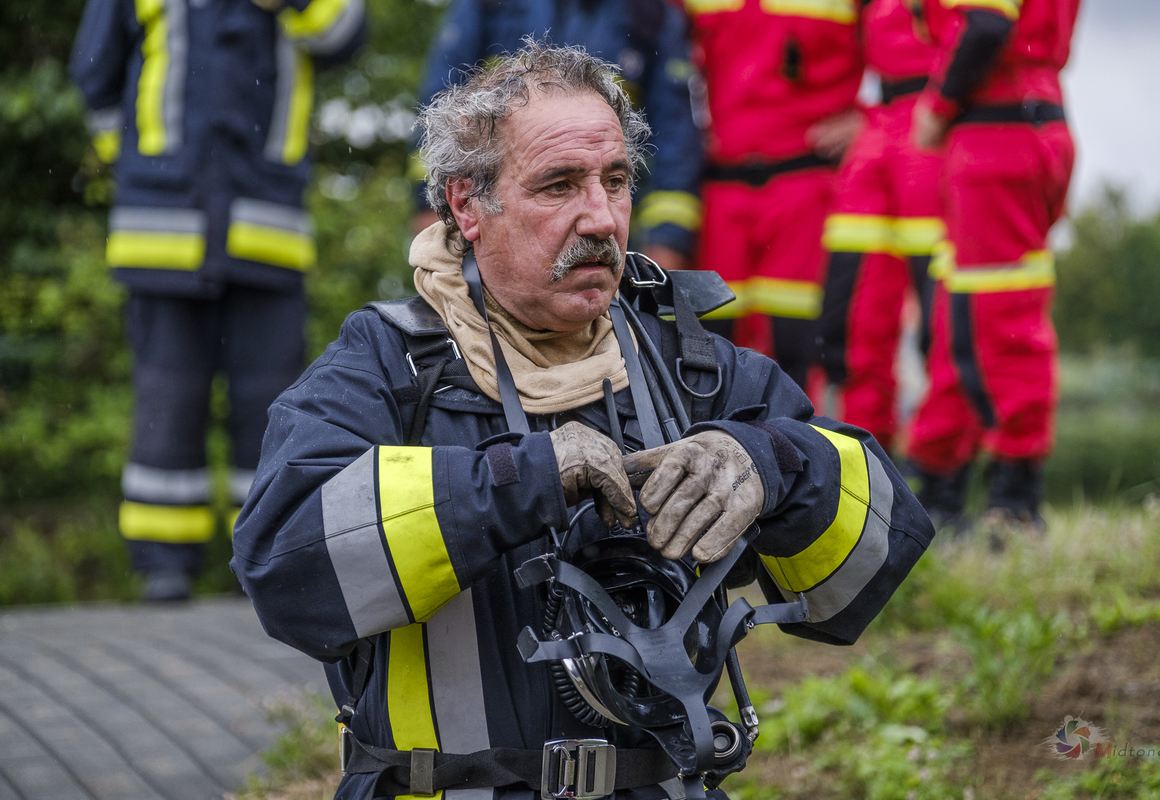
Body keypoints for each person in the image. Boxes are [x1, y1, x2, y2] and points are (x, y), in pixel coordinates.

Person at [233, 41, 933, 800]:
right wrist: (516, 479)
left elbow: (863, 576)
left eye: (616, 181)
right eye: (559, 185)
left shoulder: (687, 363)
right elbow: (282, 566)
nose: (599, 216)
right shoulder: (389, 365)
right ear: (469, 205)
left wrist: (775, 465)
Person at [70, 0, 366, 601]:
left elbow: (344, 37)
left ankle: (261, 555)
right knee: (166, 395)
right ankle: (162, 566)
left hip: (268, 226)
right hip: (162, 226)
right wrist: (137, 162)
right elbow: (94, 75)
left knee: (270, 404)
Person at [903, 0, 1079, 528]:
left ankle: (1014, 500)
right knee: (958, 323)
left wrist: (936, 104)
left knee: (1000, 325)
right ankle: (939, 492)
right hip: (1001, 132)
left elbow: (985, 24)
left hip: (997, 136)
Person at [410, 0, 704, 272]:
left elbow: (675, 140)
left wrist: (668, 239)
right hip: (496, 216)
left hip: (615, 235)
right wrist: (433, 205)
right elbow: (442, 111)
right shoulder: (489, 5)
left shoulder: (652, 14)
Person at [682, 0, 865, 391]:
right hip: (717, 189)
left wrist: (872, 117)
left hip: (806, 184)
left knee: (796, 344)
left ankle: (796, 445)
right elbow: (653, 52)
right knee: (709, 347)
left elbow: (917, 47)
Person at [816, 0, 945, 454]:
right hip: (881, 124)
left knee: (945, 319)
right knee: (850, 317)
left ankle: (944, 475)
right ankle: (863, 464)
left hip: (939, 121)